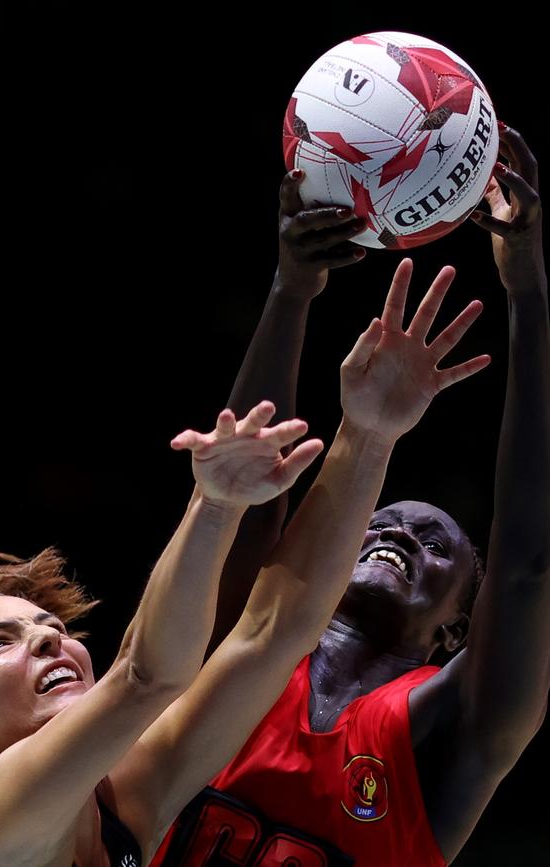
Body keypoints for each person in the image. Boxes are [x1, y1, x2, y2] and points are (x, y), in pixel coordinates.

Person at [0, 253, 485, 864]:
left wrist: (368, 434)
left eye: (52, 628)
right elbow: (146, 675)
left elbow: (273, 633)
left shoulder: (126, 804)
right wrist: (212, 507)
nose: (50, 642)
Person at [150, 124, 549, 866]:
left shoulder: (451, 733)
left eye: (435, 545)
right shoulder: (238, 644)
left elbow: (527, 564)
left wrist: (527, 288)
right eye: (377, 525)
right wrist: (291, 286)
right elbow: (247, 488)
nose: (393, 534)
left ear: (458, 629)